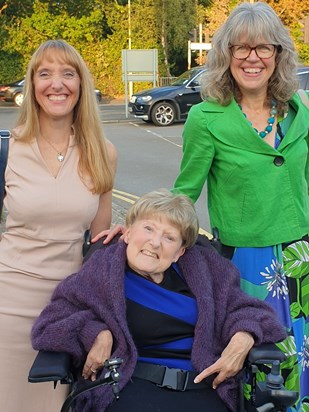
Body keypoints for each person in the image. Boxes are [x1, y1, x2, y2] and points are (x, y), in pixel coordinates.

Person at [32, 189, 286, 412]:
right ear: (128, 233)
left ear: (179, 252)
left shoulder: (208, 271)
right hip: (130, 384)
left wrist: (244, 337)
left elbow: (252, 312)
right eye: (149, 228)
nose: (155, 242)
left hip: (203, 385)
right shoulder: (100, 273)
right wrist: (95, 333)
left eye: (169, 237)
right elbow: (50, 325)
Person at [171, 2, 309, 410]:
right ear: (226, 54)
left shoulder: (299, 111)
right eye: (241, 48)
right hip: (245, 267)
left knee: (300, 367)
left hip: (301, 259)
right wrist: (146, 229)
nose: (253, 58)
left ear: (278, 54)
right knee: (257, 372)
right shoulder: (206, 118)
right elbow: (184, 193)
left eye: (264, 48)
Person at [0, 39, 117, 412]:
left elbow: (98, 245)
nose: (57, 83)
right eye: (45, 73)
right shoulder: (7, 149)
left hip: (66, 311)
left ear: (81, 85)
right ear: (32, 86)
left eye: (68, 73)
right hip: (7, 303)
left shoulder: (103, 152)